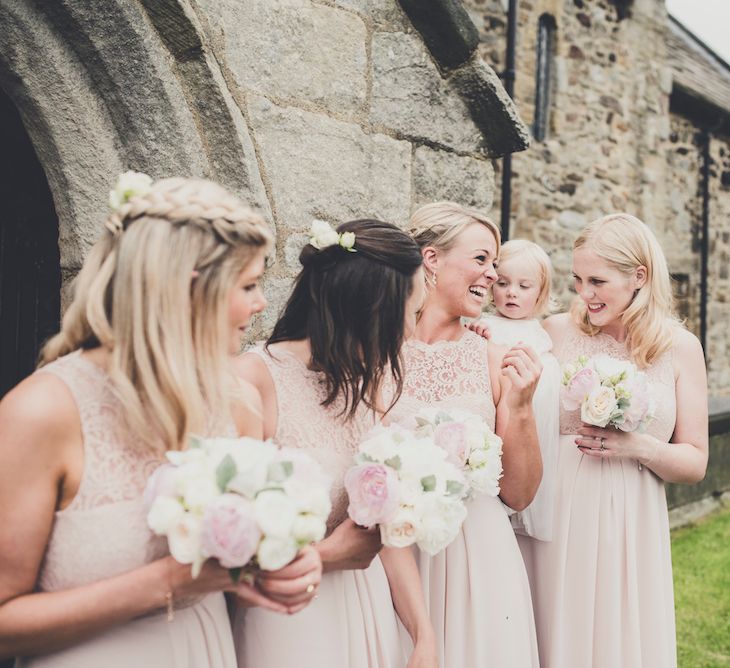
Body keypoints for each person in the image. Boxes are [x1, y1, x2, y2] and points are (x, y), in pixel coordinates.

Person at [0, 176, 321, 667]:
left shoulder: (235, 401)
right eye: (249, 285)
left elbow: (237, 568)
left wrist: (286, 558)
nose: (260, 304)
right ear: (187, 287)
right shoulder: (44, 411)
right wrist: (170, 581)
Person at [233, 219, 437, 667]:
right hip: (288, 618)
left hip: (367, 608)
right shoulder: (254, 381)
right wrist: (328, 555)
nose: (410, 333)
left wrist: (423, 634)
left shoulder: (366, 384)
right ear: (372, 308)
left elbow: (384, 527)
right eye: (412, 313)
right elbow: (232, 555)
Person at [530, 213, 709, 667]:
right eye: (577, 280)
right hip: (559, 511)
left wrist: (639, 447)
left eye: (597, 281)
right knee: (555, 630)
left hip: (632, 518)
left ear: (639, 277)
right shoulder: (555, 332)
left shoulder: (680, 348)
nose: (584, 294)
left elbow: (695, 462)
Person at [388, 201, 543, 667]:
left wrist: (519, 408)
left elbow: (519, 494)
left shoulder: (494, 357)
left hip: (478, 556)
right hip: (393, 553)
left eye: (494, 263)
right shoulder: (377, 349)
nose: (493, 275)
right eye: (481, 259)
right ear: (431, 260)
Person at [474, 239, 560, 542]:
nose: (512, 292)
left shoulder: (540, 335)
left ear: (540, 293)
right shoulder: (480, 325)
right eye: (504, 282)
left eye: (524, 286)